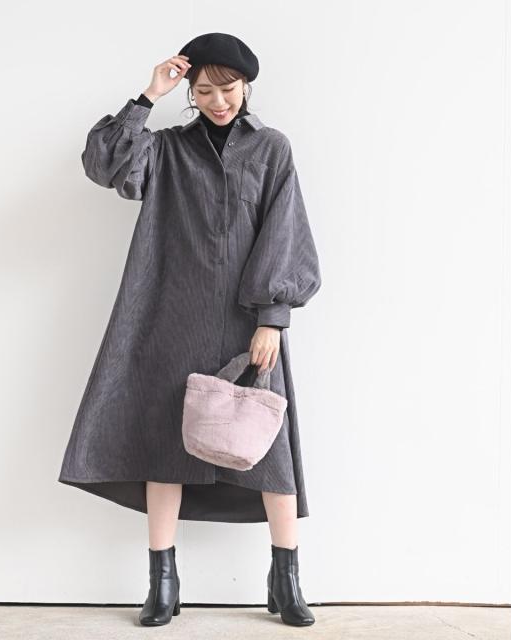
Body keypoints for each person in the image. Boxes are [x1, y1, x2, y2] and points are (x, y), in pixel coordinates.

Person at [58, 32, 322, 628]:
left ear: (246, 87)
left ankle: (285, 582)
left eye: (228, 89)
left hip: (247, 325)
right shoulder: (167, 150)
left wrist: (272, 319)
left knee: (272, 453)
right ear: (191, 93)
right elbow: (104, 165)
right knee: (166, 449)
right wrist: (148, 95)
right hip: (170, 318)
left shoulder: (272, 149)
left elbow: (286, 232)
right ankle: (162, 585)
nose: (217, 101)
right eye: (204, 91)